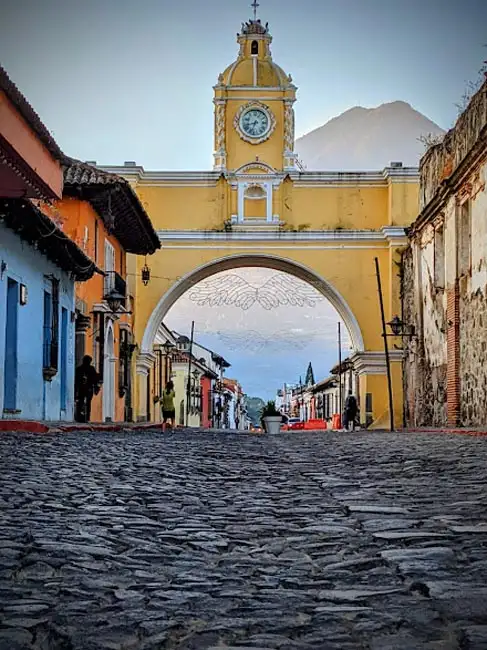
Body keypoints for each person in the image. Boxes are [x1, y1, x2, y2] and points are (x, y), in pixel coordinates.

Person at [74, 355, 100, 422]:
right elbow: (95, 379)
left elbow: (76, 380)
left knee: (82, 402)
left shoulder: (79, 369)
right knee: (87, 403)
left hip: (84, 388)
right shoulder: (91, 369)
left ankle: (81, 416)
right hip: (87, 388)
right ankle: (86, 417)